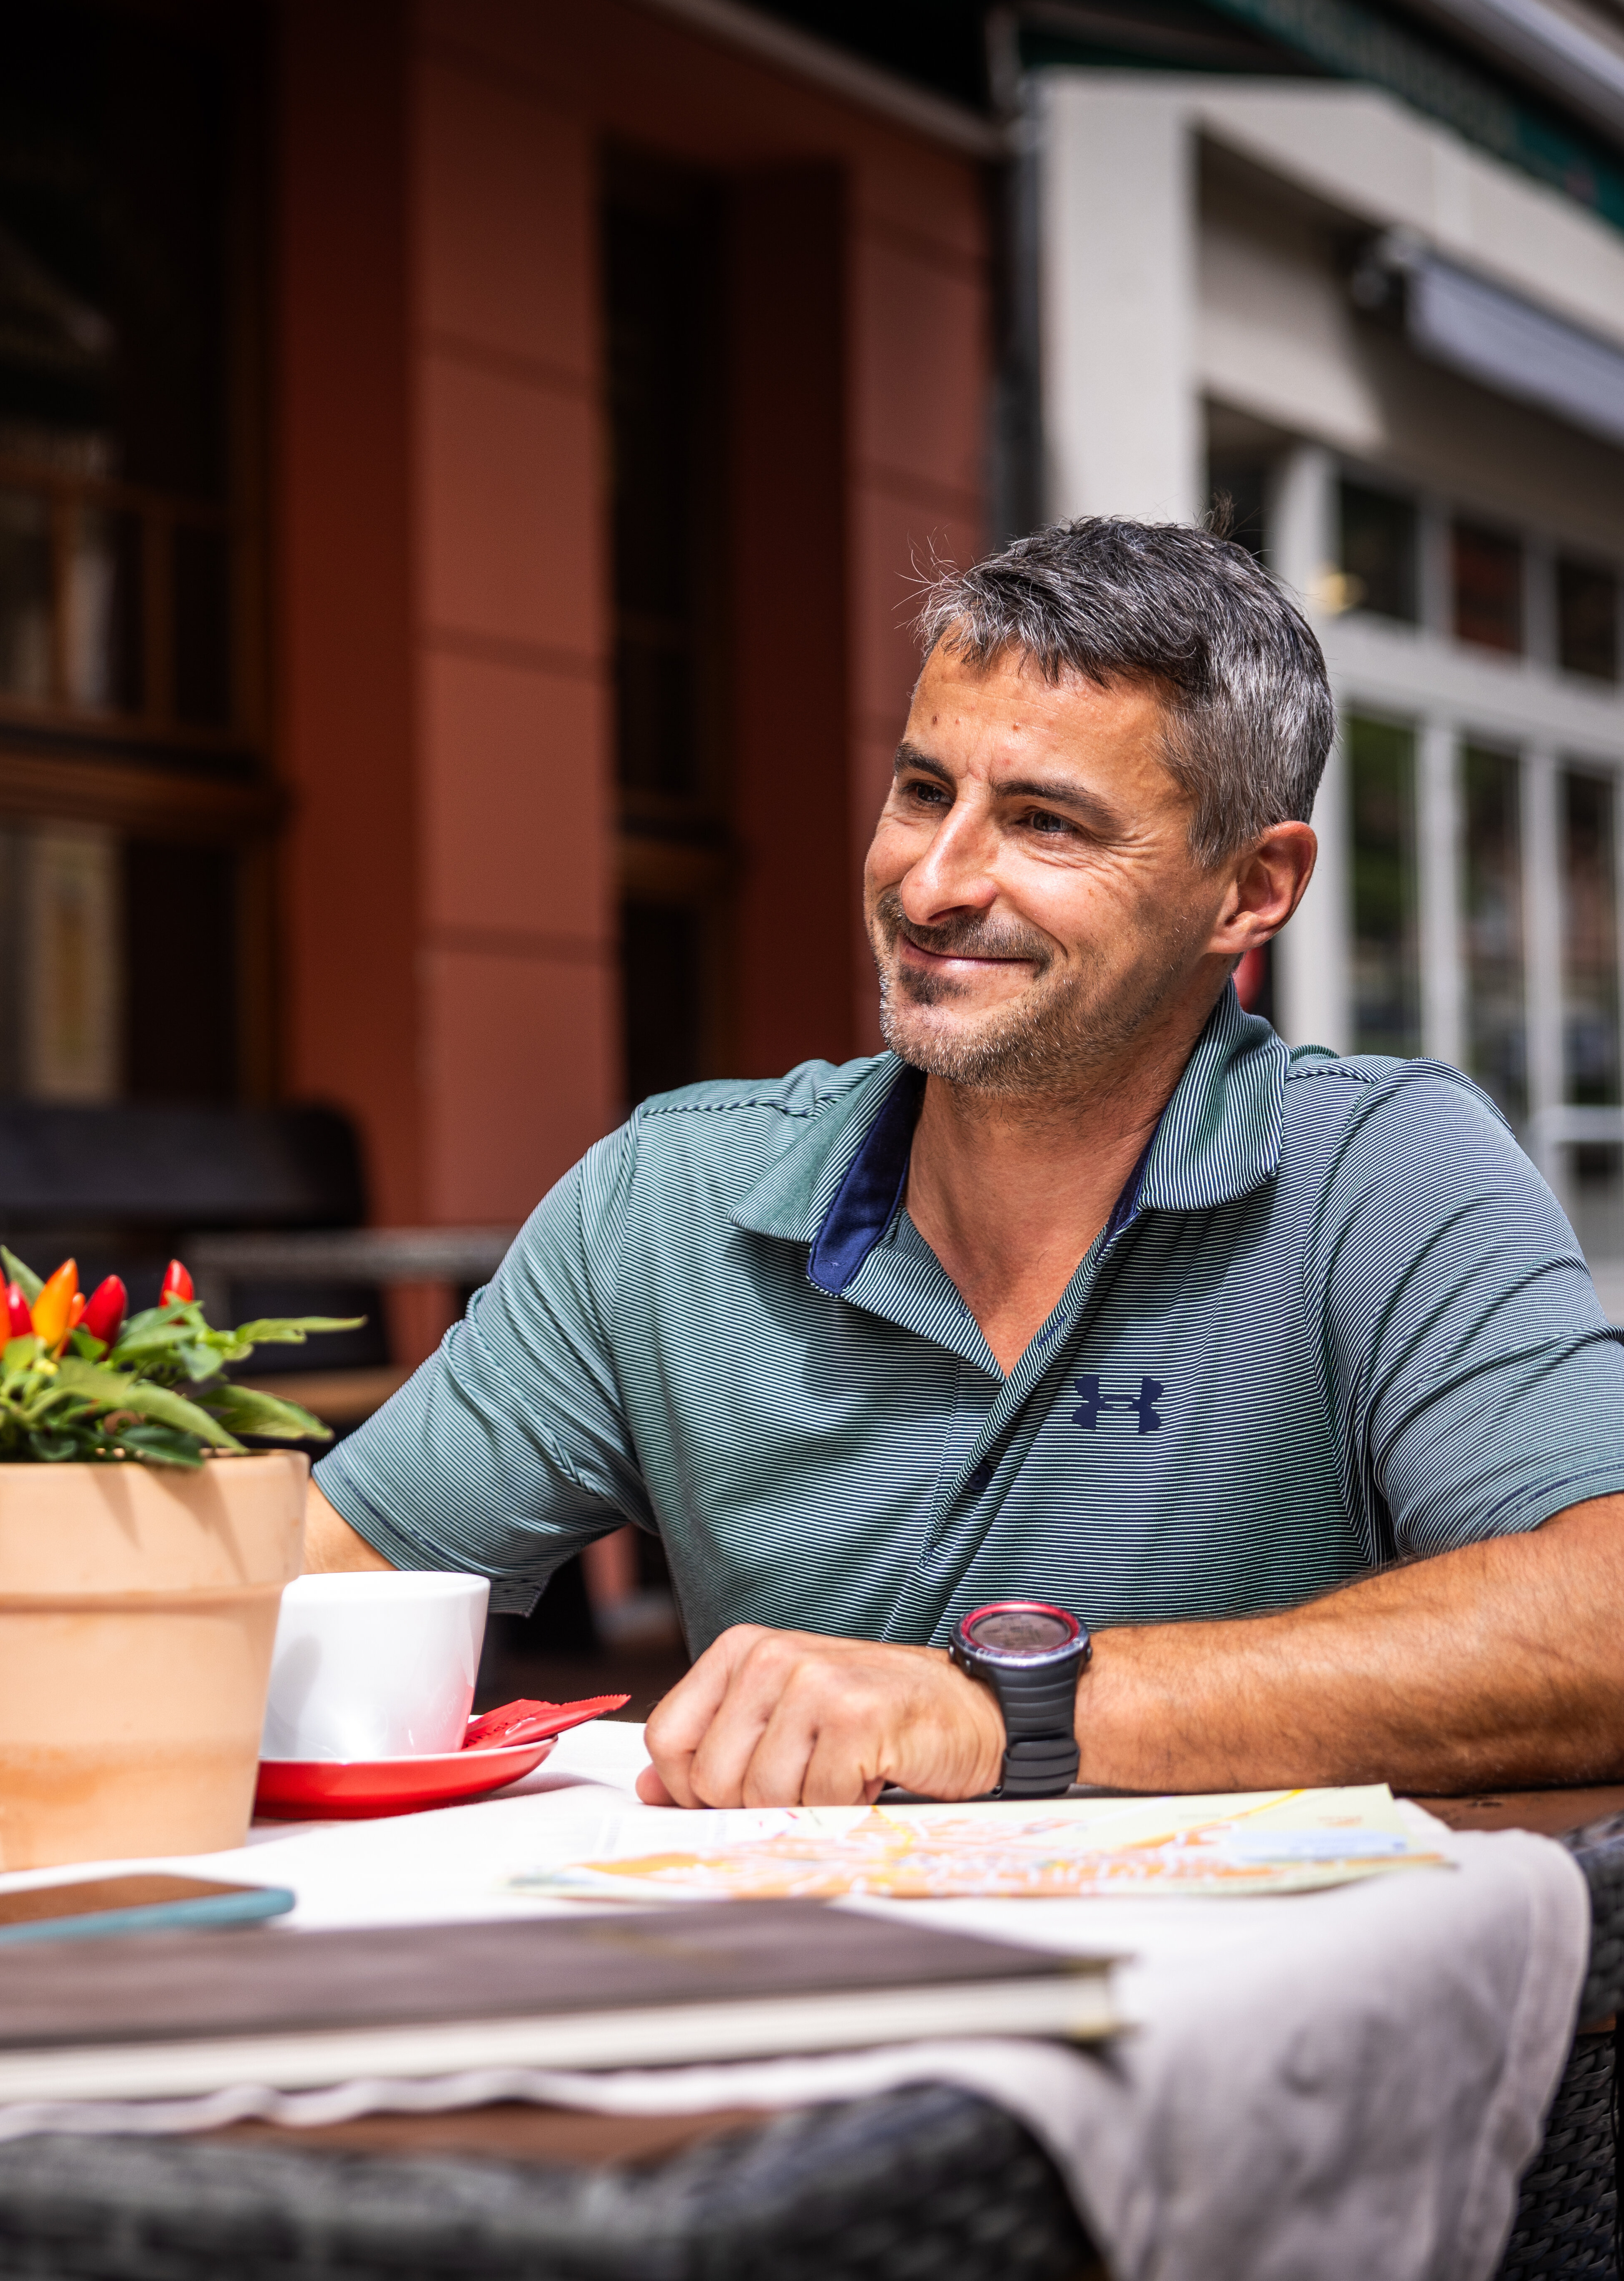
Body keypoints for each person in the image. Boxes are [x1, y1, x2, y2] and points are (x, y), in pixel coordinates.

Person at [306, 516, 1624, 1812]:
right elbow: (328, 1582)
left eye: (1046, 823)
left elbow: (1604, 1620)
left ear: (1252, 890)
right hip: (811, 1996)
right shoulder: (666, 1199)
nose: (930, 883)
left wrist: (1002, 1709)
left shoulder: (1379, 1173)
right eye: (923, 791)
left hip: (1258, 2009)